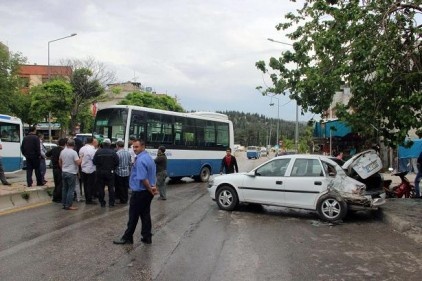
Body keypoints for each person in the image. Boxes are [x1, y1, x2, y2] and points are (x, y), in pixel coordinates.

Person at [113, 139, 157, 245]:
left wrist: (150, 189)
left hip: (140, 192)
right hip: (146, 193)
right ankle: (147, 237)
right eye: (133, 147)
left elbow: (143, 178)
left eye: (136, 147)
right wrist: (152, 188)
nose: (134, 149)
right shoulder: (148, 158)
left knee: (133, 216)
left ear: (143, 146)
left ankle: (127, 237)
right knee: (145, 215)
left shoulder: (141, 160)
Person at [93, 138, 119, 207]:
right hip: (110, 172)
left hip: (100, 172)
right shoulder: (113, 152)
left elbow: (94, 162)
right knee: (111, 188)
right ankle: (111, 203)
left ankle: (102, 202)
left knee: (101, 188)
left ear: (103, 144)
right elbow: (117, 162)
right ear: (110, 144)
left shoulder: (98, 152)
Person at [59, 139, 81, 210]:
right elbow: (78, 163)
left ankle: (64, 204)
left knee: (65, 189)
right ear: (74, 145)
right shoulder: (74, 152)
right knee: (71, 190)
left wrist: (62, 168)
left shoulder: (62, 151)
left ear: (67, 144)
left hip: (64, 172)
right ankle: (69, 205)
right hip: (71, 173)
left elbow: (60, 161)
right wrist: (81, 158)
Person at [46, 138, 67, 203]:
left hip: (54, 168)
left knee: (56, 183)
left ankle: (55, 197)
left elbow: (47, 154)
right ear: (65, 144)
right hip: (60, 168)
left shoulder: (54, 149)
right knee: (60, 184)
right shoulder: (63, 151)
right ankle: (58, 198)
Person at [79, 137, 97, 204]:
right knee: (90, 185)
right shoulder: (92, 150)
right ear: (92, 142)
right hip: (91, 169)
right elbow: (94, 160)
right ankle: (89, 199)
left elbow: (80, 157)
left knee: (85, 185)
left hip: (83, 169)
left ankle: (87, 198)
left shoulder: (82, 148)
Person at [115, 140, 131, 204]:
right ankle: (126, 199)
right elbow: (130, 163)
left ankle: (122, 200)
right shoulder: (128, 153)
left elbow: (116, 163)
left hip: (119, 172)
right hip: (126, 172)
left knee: (120, 187)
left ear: (117, 146)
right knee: (125, 187)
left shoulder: (117, 154)